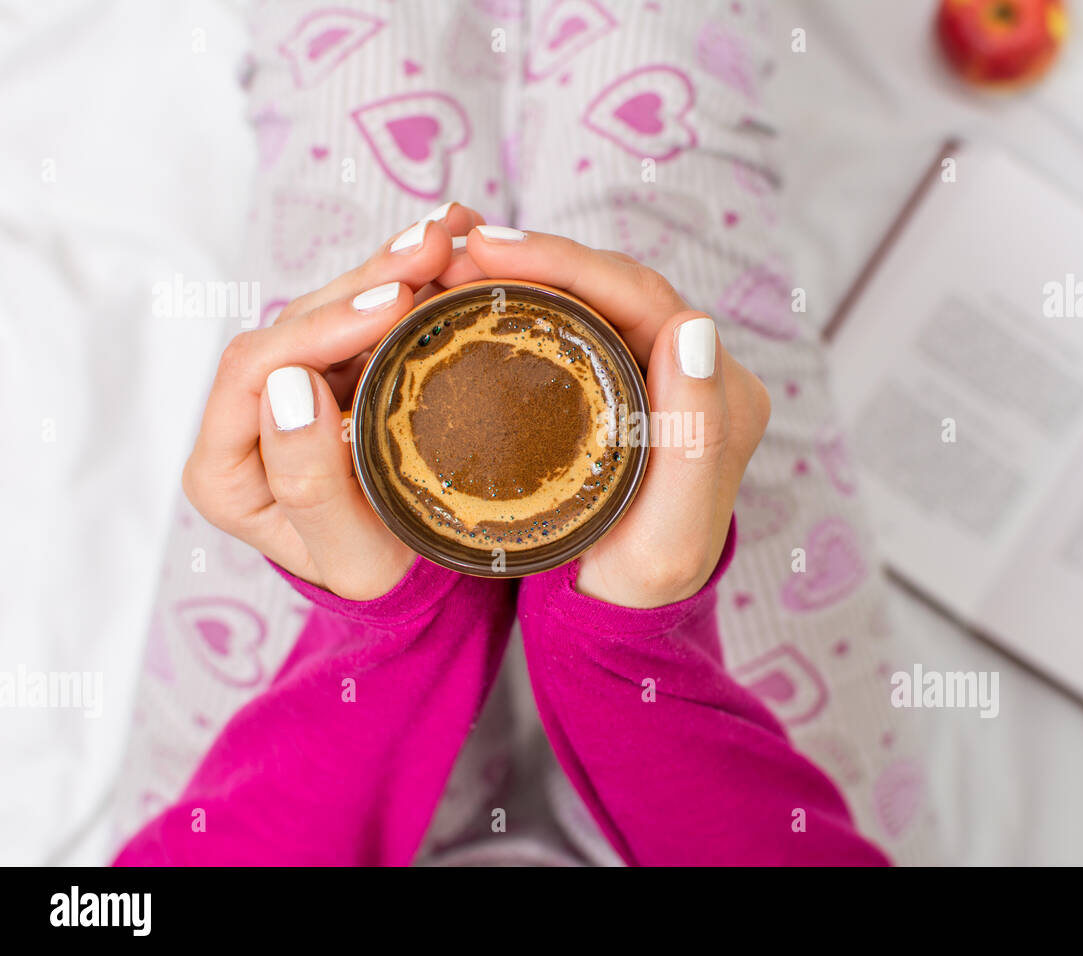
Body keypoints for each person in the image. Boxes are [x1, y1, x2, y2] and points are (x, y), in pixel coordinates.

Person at [111, 0, 933, 866]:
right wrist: (632, 652)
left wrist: (391, 630)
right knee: (660, 188)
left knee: (360, 148)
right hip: (720, 811)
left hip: (302, 804)